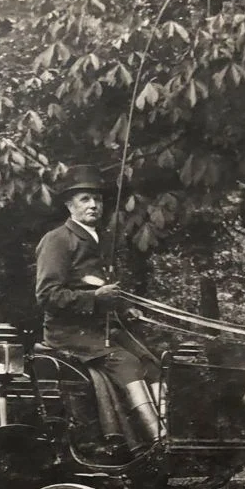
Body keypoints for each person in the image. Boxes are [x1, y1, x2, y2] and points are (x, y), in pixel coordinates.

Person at [34, 164, 161, 459]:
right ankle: (156, 442)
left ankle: (165, 435)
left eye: (98, 200)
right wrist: (97, 297)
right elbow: (47, 295)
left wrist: (125, 309)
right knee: (128, 364)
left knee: (153, 363)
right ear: (69, 205)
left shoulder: (100, 240)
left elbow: (105, 291)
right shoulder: (58, 240)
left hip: (100, 333)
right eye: (84, 199)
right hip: (68, 337)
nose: (93, 205)